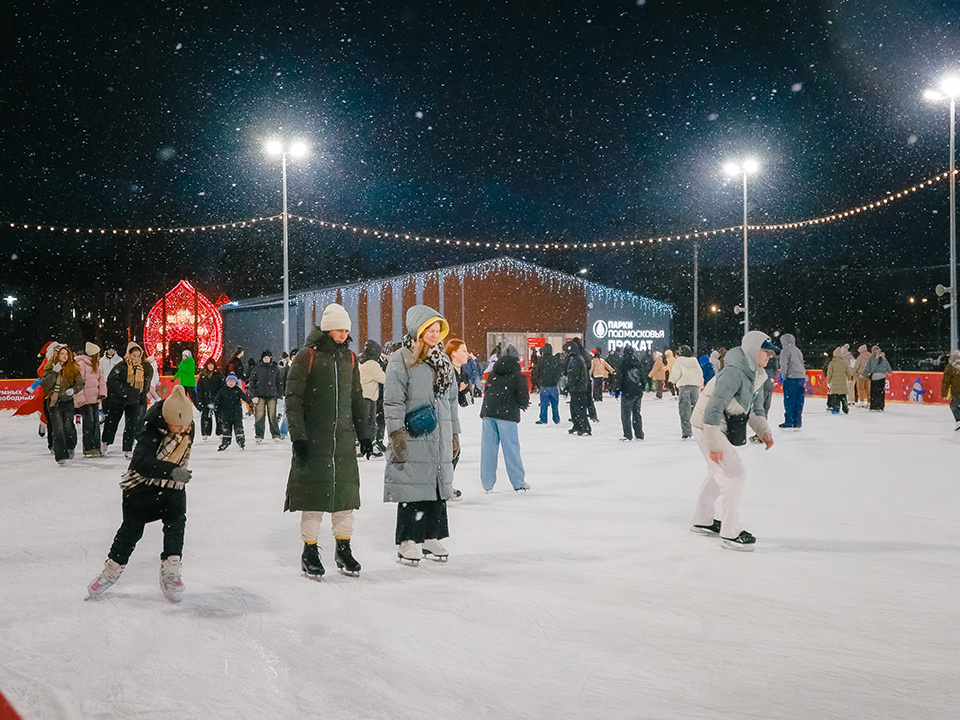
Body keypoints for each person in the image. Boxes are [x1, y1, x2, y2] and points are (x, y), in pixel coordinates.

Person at [284, 303, 371, 578]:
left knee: (345, 498)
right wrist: (298, 437)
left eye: (346, 330)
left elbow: (357, 399)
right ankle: (309, 550)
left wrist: (366, 434)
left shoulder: (350, 359)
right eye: (338, 329)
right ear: (326, 328)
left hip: (343, 441)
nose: (343, 334)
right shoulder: (306, 357)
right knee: (313, 498)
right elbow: (293, 400)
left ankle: (343, 548)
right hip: (314, 440)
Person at [86, 385, 195, 602]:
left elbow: (182, 437)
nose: (183, 430)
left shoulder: (188, 426)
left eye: (185, 425)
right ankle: (111, 570)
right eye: (177, 425)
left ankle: (171, 571)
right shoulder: (150, 432)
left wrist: (174, 475)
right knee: (131, 532)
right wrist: (172, 471)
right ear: (166, 419)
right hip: (141, 488)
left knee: (176, 522)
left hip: (170, 486)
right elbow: (141, 464)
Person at [384, 305, 459, 565]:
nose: (435, 334)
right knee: (412, 485)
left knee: (436, 484)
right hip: (413, 433)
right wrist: (396, 432)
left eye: (438, 330)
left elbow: (451, 400)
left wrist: (455, 433)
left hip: (440, 433)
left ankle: (430, 536)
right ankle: (407, 540)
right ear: (419, 330)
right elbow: (392, 401)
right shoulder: (401, 358)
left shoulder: (444, 360)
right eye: (430, 329)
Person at [690, 331, 777, 551]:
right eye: (765, 352)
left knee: (716, 473)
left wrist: (764, 431)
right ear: (753, 350)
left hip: (714, 425)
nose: (769, 357)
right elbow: (713, 409)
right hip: (707, 425)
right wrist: (715, 444)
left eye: (770, 353)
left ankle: (703, 520)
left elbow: (754, 409)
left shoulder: (756, 374)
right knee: (734, 473)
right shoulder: (733, 373)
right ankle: (731, 533)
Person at [479, 344, 530, 492]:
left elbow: (488, 388)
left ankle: (487, 484)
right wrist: (523, 404)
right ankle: (518, 483)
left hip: (489, 412)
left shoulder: (494, 371)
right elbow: (522, 396)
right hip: (506, 415)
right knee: (511, 449)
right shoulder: (518, 375)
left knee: (488, 449)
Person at [102, 342, 154, 459]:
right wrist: (126, 392)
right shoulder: (121, 366)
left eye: (138, 356)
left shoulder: (145, 367)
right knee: (112, 422)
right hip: (118, 400)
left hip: (134, 401)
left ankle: (128, 448)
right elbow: (112, 381)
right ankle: (106, 441)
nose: (136, 358)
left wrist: (139, 396)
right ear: (129, 355)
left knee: (131, 424)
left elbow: (146, 384)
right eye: (133, 356)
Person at [41, 345, 85, 465]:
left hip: (67, 402)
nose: (64, 356)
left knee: (68, 426)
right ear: (57, 355)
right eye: (62, 354)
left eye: (66, 354)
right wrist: (54, 372)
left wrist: (74, 389)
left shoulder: (73, 368)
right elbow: (45, 384)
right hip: (54, 402)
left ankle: (70, 446)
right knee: (58, 428)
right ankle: (60, 455)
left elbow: (81, 382)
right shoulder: (50, 368)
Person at [74, 342, 107, 457]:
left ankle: (96, 447)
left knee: (96, 424)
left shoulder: (95, 365)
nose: (99, 356)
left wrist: (102, 393)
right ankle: (88, 448)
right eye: (98, 354)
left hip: (95, 399)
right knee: (88, 423)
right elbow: (78, 383)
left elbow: (101, 380)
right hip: (85, 400)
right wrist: (80, 398)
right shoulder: (81, 364)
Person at [249, 349, 284, 443]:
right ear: (262, 358)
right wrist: (253, 395)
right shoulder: (257, 368)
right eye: (265, 358)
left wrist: (279, 396)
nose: (266, 359)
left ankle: (276, 434)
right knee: (259, 415)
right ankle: (259, 435)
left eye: (268, 358)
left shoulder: (275, 368)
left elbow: (279, 383)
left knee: (272, 415)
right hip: (260, 395)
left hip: (272, 395)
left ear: (270, 358)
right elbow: (252, 382)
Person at [359, 340, 387, 458]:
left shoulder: (362, 360)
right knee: (370, 423)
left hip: (362, 396)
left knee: (363, 422)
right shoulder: (372, 364)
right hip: (369, 398)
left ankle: (361, 444)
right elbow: (384, 379)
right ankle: (369, 445)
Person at [671, 345, 704, 439]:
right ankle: (696, 430)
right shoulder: (694, 361)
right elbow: (699, 373)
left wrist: (672, 380)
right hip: (694, 387)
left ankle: (686, 432)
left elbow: (676, 375)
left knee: (684, 410)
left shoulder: (679, 361)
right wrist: (700, 384)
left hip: (684, 386)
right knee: (695, 409)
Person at [614, 345, 645, 441]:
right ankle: (639, 434)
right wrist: (641, 387)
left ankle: (628, 434)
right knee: (636, 413)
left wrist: (617, 390)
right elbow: (642, 376)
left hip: (627, 392)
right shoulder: (637, 362)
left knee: (626, 414)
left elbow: (619, 378)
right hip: (637, 391)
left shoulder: (623, 363)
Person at [563, 339, 591, 435]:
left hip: (578, 388)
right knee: (574, 408)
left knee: (579, 408)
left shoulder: (576, 360)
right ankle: (577, 425)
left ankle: (585, 427)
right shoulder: (576, 359)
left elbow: (574, 376)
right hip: (577, 388)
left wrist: (567, 387)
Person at [215, 373, 249, 451]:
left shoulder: (237, 390)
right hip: (226, 415)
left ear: (235, 382)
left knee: (239, 429)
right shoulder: (223, 390)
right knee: (226, 430)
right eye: (229, 381)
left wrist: (249, 401)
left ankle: (241, 443)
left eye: (232, 381)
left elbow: (244, 397)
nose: (231, 383)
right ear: (227, 382)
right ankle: (225, 443)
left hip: (236, 415)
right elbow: (217, 399)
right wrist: (214, 405)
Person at [779, 333, 806, 429]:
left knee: (789, 400)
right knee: (799, 401)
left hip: (792, 378)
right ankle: (797, 422)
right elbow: (802, 363)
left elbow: (784, 364)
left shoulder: (785, 350)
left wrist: (783, 375)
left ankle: (789, 422)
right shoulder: (798, 350)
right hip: (801, 378)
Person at [535, 343, 563, 425]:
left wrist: (539, 382)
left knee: (544, 403)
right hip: (554, 385)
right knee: (555, 404)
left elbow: (538, 372)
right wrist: (556, 379)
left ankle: (543, 418)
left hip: (544, 385)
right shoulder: (555, 359)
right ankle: (556, 418)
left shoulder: (541, 360)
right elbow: (559, 371)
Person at [196, 358, 224, 440]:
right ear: (207, 366)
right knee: (206, 416)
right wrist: (200, 400)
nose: (211, 366)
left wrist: (220, 397)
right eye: (209, 365)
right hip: (206, 399)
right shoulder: (203, 376)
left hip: (216, 398)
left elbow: (222, 387)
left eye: (212, 365)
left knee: (219, 416)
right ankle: (205, 433)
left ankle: (220, 432)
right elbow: (199, 389)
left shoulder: (218, 375)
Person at [826, 347, 853, 414]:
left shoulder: (832, 363)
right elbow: (848, 372)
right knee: (843, 395)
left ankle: (836, 408)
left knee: (835, 397)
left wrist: (828, 381)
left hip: (834, 383)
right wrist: (849, 379)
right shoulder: (844, 363)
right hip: (843, 382)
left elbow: (829, 374)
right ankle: (845, 406)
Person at [865, 345, 892, 411]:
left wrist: (867, 373)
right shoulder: (883, 358)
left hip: (875, 377)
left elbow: (870, 366)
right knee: (881, 392)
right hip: (882, 376)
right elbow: (887, 366)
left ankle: (874, 406)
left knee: (874, 392)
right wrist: (889, 371)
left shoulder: (872, 358)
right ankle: (880, 406)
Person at [941, 349, 960, 431]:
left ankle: (959, 421)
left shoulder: (949, 367)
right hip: (956, 391)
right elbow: (946, 381)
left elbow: (946, 382)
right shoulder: (949, 367)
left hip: (956, 391)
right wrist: (944, 393)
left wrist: (944, 393)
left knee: (953, 406)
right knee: (954, 406)